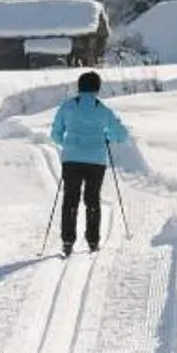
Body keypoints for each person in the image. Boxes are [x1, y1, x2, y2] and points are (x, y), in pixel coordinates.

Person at [47, 70, 130, 255]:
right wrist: (106, 136)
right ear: (97, 88)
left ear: (79, 87)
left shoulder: (67, 107)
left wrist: (68, 144)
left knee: (70, 199)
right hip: (96, 161)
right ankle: (93, 241)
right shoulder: (103, 110)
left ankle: (68, 241)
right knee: (92, 200)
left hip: (71, 160)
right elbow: (122, 134)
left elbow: (55, 134)